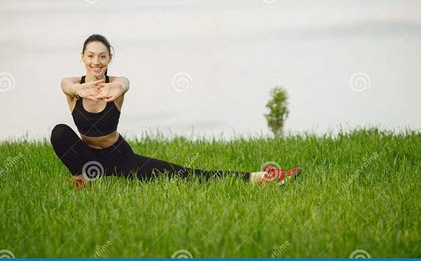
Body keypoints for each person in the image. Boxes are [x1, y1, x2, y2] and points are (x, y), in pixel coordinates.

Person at [50, 34, 302, 189]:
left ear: (110, 58)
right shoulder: (73, 87)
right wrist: (79, 90)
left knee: (184, 174)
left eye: (102, 56)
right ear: (82, 57)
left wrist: (118, 88)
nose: (96, 62)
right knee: (60, 132)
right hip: (86, 157)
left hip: (118, 156)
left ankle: (261, 178)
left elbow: (125, 83)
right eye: (91, 56)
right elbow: (66, 84)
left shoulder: (117, 84)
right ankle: (83, 179)